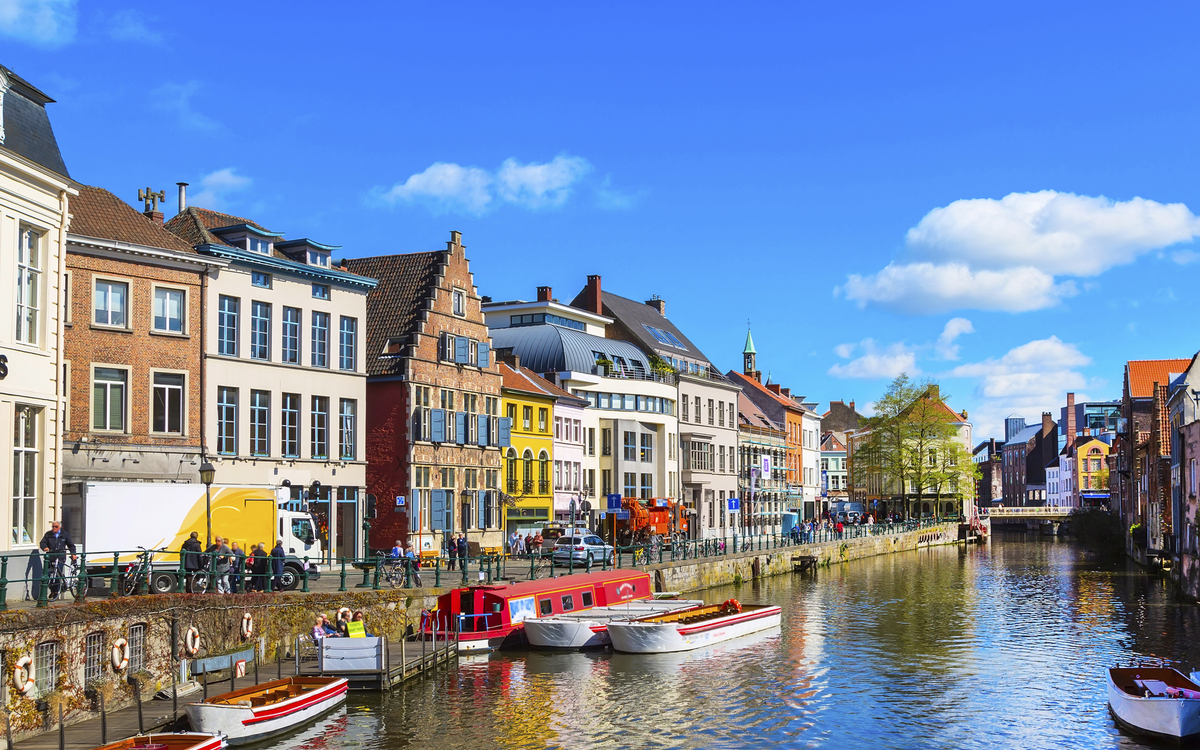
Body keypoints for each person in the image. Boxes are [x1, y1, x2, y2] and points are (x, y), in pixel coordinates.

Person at [39, 521, 77, 601]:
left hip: (60, 557)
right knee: (47, 574)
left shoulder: (64, 534)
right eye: (53, 526)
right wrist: (45, 547)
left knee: (57, 575)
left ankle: (56, 592)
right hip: (51, 557)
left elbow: (71, 545)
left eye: (56, 527)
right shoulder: (48, 534)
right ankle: (52, 590)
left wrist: (73, 554)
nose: (54, 528)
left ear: (59, 527)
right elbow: (42, 542)